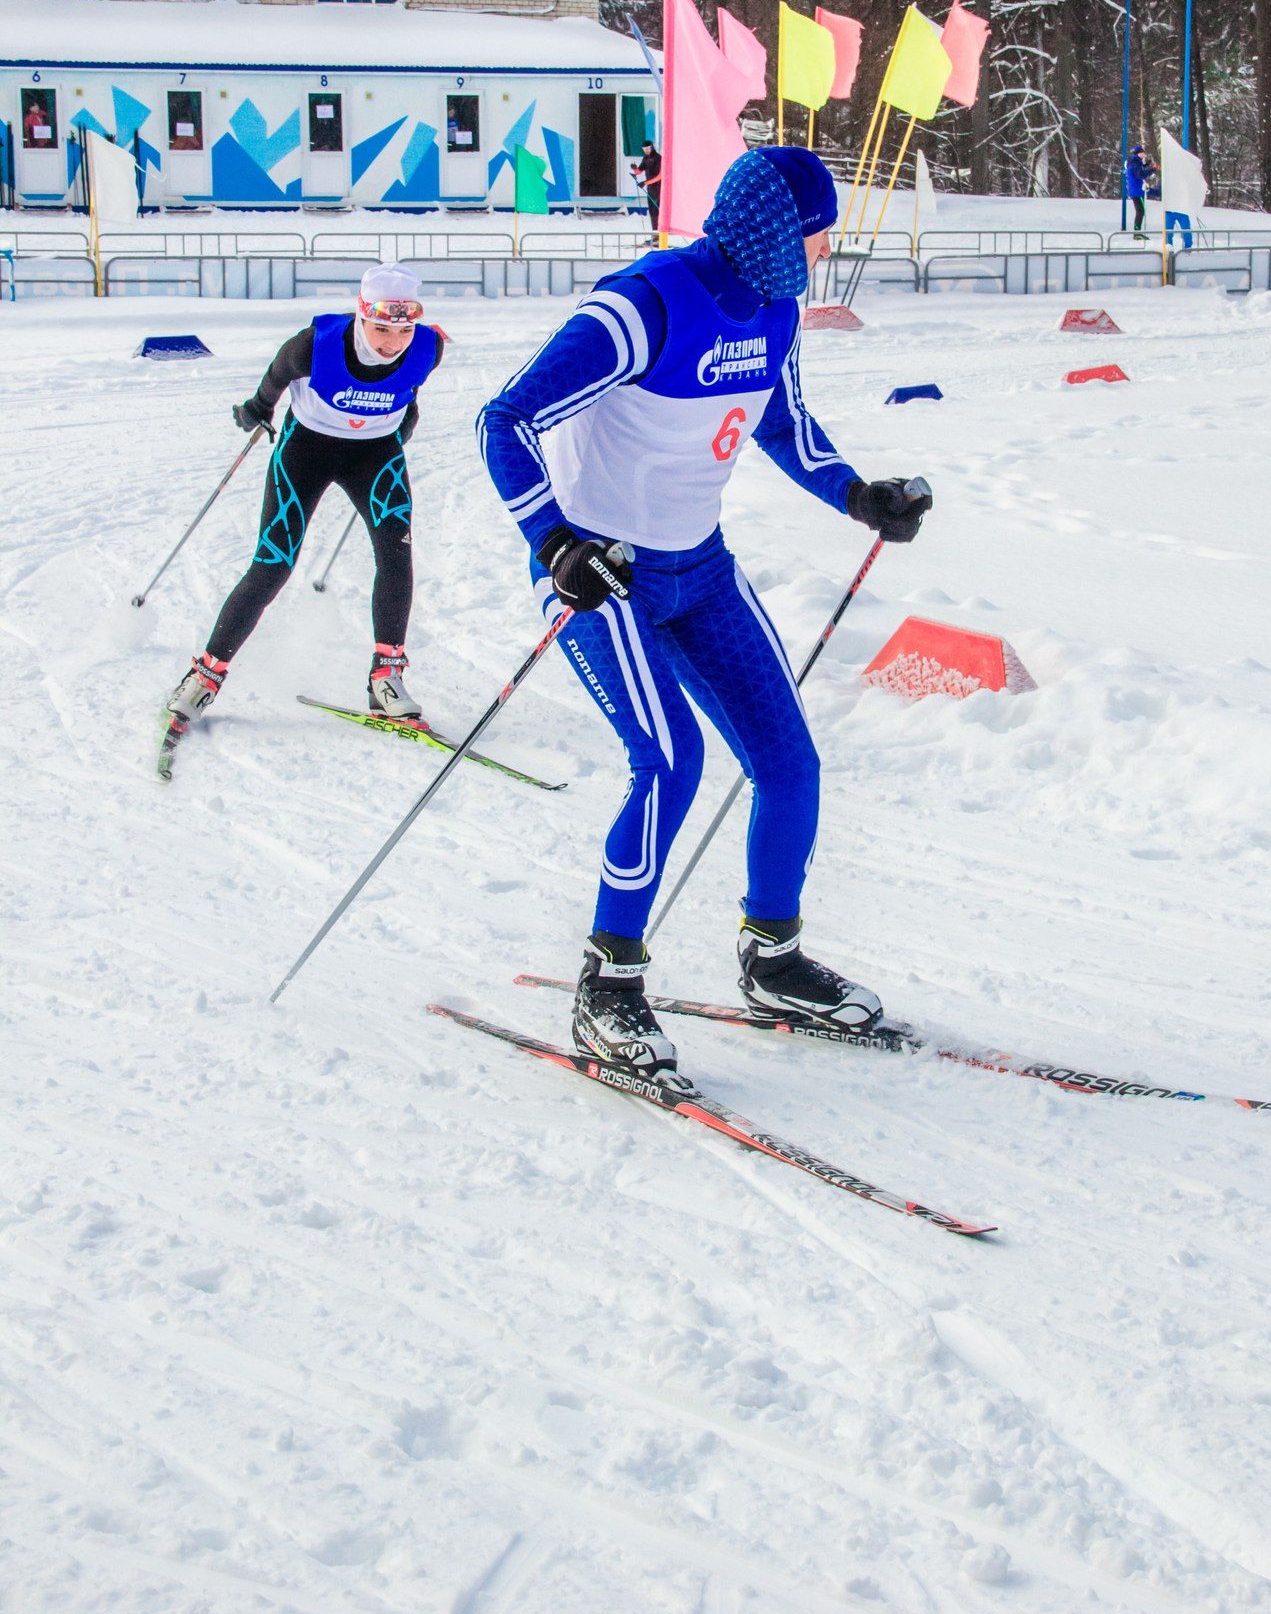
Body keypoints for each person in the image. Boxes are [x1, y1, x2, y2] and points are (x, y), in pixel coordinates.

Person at [479, 145, 932, 1080]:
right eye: (814, 235)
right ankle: (608, 988)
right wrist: (555, 542)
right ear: (771, 230)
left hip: (702, 572)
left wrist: (858, 496)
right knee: (670, 762)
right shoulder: (642, 306)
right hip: (602, 578)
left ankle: (772, 961)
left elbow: (782, 423)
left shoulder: (773, 313)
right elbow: (503, 421)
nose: (821, 253)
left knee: (789, 763)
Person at [167, 265, 445, 730]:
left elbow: (410, 382)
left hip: (375, 454)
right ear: (361, 315)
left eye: (402, 330)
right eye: (380, 328)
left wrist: (408, 412)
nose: (392, 341)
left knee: (396, 556)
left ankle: (386, 677)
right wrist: (256, 411)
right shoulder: (314, 345)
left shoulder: (429, 347)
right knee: (273, 562)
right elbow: (275, 379)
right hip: (307, 450)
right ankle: (203, 677)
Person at [1125, 145, 1157, 235]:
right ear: (1138, 153)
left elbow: (1139, 169)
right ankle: (1137, 233)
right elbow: (1140, 174)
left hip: (1135, 190)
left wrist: (1147, 164)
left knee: (1140, 211)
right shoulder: (1135, 162)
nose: (1144, 154)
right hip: (1137, 191)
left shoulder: (1134, 161)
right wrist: (1152, 169)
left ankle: (1137, 233)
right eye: (1143, 153)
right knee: (1140, 212)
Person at [631, 140, 662, 230]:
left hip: (658, 188)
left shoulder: (658, 158)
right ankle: (654, 234)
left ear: (652, 147)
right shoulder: (645, 159)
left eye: (648, 148)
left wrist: (645, 183)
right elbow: (639, 171)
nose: (646, 151)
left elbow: (660, 176)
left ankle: (659, 234)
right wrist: (634, 168)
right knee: (652, 211)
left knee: (656, 211)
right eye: (644, 149)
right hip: (650, 189)